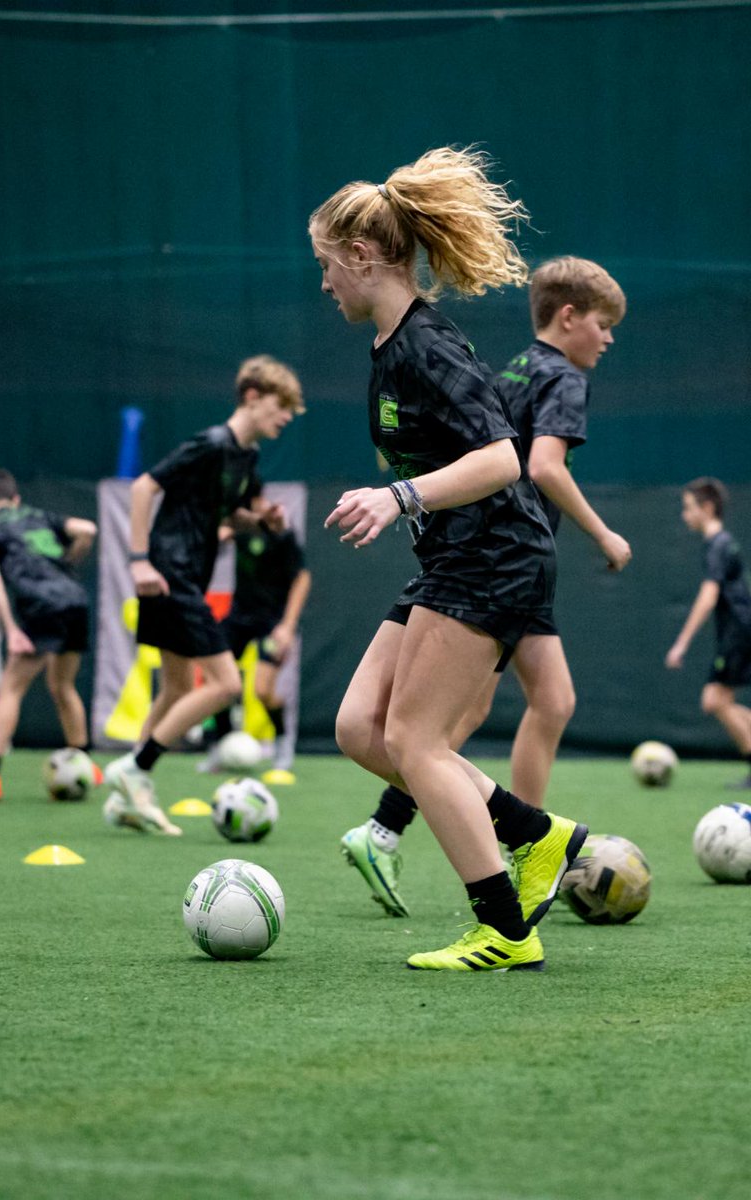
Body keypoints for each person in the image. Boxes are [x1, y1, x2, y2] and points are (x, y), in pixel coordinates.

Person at [310, 145, 587, 971]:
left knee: (416, 740)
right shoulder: (391, 344)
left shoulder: (427, 346)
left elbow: (504, 459)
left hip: (493, 556)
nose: (324, 283)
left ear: (364, 256)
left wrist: (396, 497)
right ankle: (536, 834)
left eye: (327, 265)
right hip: (455, 557)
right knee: (361, 729)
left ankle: (505, 929)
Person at [345, 256, 631, 915]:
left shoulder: (517, 366)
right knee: (441, 725)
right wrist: (605, 534)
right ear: (569, 317)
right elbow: (541, 465)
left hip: (481, 552)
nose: (608, 338)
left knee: (495, 712)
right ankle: (526, 844)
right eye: (603, 324)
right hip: (497, 554)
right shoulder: (563, 375)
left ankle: (494, 841)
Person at [103, 355, 305, 833]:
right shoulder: (211, 443)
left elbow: (228, 515)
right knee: (227, 685)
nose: (286, 417)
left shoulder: (245, 456)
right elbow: (143, 488)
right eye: (281, 406)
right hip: (169, 575)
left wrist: (261, 521)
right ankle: (134, 769)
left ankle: (130, 795)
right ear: (252, 397)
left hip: (188, 577)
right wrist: (138, 561)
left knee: (175, 690)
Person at [0, 468, 100, 801]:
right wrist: (70, 561)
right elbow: (87, 529)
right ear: (15, 499)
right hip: (75, 601)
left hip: (41, 607)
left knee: (10, 688)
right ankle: (87, 765)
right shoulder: (38, 516)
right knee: (63, 685)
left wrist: (12, 628)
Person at [198, 520, 312, 777]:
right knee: (216, 680)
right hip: (238, 618)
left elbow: (303, 578)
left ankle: (282, 741)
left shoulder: (282, 533)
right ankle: (221, 746)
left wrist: (287, 626)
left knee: (262, 689)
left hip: (273, 623)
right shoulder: (240, 526)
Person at [666, 477, 751, 788]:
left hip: (737, 634)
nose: (685, 515)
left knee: (714, 701)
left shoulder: (718, 544)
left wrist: (681, 643)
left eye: (689, 508)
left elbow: (709, 595)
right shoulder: (721, 544)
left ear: (708, 508)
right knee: (716, 700)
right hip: (737, 632)